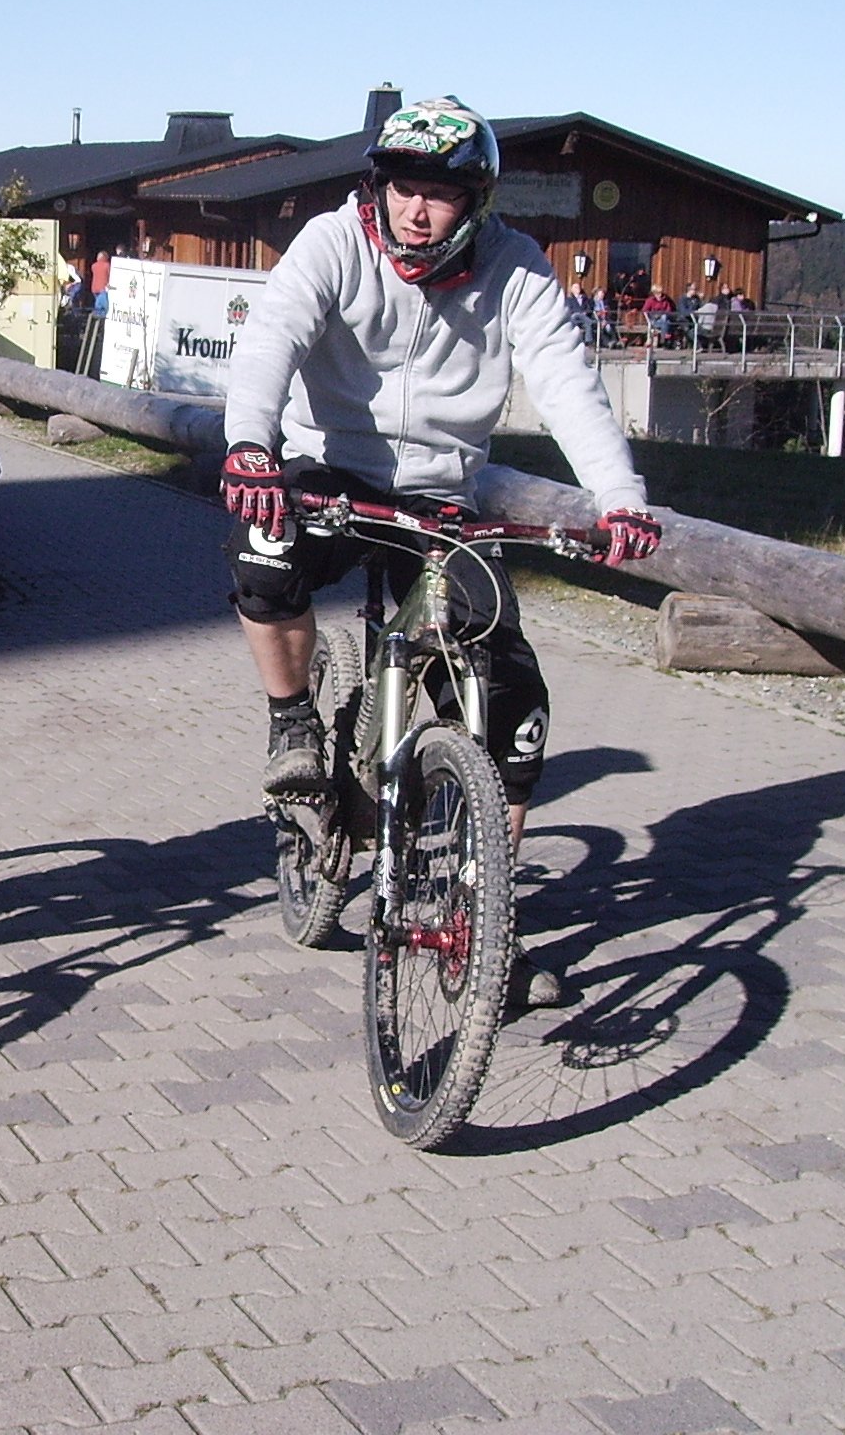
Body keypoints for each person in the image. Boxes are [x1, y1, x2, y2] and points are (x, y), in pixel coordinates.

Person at [220, 96, 662, 1011]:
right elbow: (272, 336)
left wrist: (619, 497)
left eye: (441, 195)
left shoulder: (515, 268)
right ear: (378, 188)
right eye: (404, 189)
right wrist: (252, 446)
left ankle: (486, 919)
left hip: (438, 494)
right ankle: (293, 719)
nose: (418, 212)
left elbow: (567, 381)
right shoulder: (333, 242)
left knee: (512, 695)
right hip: (326, 468)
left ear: (476, 203)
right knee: (262, 551)